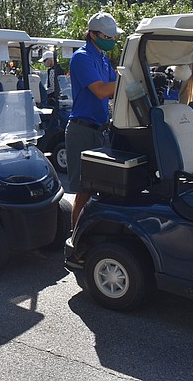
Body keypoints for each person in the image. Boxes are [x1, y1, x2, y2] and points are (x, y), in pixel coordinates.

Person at [67, 12, 122, 229]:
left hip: (100, 129)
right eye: (108, 37)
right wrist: (127, 79)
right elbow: (101, 90)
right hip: (82, 130)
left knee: (101, 186)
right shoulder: (81, 57)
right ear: (92, 34)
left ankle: (91, 232)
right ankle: (75, 237)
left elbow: (113, 87)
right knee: (84, 190)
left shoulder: (102, 58)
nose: (112, 41)